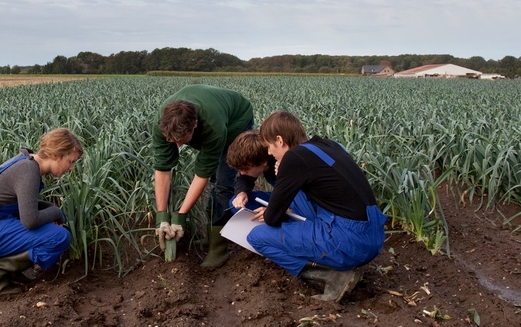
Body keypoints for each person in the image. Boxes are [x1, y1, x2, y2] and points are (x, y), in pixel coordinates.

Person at [247, 112, 387, 302]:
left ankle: (332, 276)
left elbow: (272, 218)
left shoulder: (294, 158)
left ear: (279, 140)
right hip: (373, 233)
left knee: (257, 237)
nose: (269, 153)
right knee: (294, 203)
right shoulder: (328, 145)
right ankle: (328, 255)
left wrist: (275, 206)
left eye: (269, 146)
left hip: (349, 241)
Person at [0, 128, 84, 296]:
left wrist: (49, 210)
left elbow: (24, 202)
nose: (71, 168)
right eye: (70, 161)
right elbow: (30, 220)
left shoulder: (27, 162)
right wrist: (55, 212)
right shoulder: (28, 170)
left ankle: (13, 271)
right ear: (56, 155)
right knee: (59, 237)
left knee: (48, 229)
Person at [152, 84, 254, 268]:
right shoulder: (164, 124)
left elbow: (202, 175)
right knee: (216, 181)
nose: (177, 145)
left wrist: (180, 217)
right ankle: (211, 235)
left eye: (182, 140)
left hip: (236, 121)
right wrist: (162, 217)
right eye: (172, 140)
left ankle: (219, 247)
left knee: (222, 183)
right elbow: (162, 169)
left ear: (195, 125)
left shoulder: (213, 127)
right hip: (215, 114)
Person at [225, 130, 277, 214]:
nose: (242, 173)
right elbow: (245, 179)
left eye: (245, 169)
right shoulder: (258, 162)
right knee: (236, 203)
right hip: (280, 197)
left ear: (263, 162)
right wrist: (241, 193)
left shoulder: (281, 163)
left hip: (296, 201)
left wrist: (275, 211)